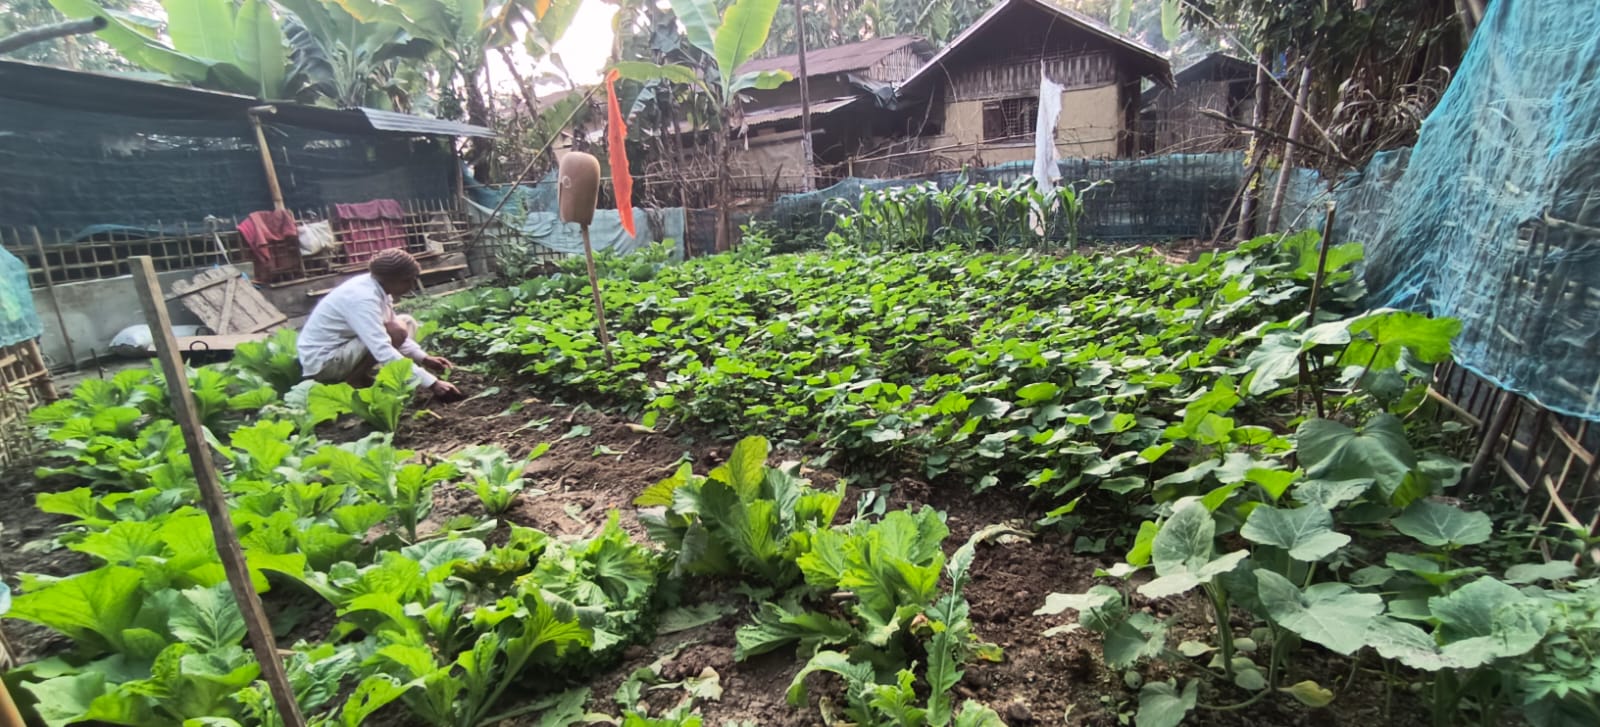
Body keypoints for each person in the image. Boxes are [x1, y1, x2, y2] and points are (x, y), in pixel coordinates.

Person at [297, 248, 463, 401]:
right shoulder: (362, 298)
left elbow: (391, 336)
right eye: (408, 280)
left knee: (405, 322)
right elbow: (382, 347)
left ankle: (360, 375)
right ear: (393, 279)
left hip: (340, 350)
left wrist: (424, 358)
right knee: (394, 330)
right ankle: (353, 381)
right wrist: (432, 383)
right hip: (324, 362)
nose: (412, 286)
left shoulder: (378, 287)